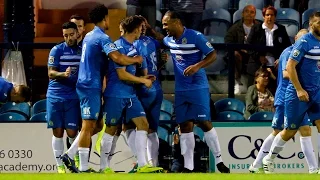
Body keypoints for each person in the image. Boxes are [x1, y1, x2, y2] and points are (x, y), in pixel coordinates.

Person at [60, 4, 143, 173]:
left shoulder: (89, 36)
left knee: (97, 125)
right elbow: (117, 57)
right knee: (88, 125)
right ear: (105, 18)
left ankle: (69, 154)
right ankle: (83, 168)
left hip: (90, 84)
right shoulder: (101, 37)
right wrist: (135, 60)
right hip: (90, 85)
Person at [162, 10, 230, 173]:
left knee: (204, 122)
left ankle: (219, 160)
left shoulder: (196, 36)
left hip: (198, 87)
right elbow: (160, 39)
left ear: (177, 22)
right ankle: (188, 166)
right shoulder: (168, 40)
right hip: (180, 90)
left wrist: (197, 66)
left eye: (166, 24)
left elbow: (213, 55)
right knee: (184, 126)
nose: (164, 27)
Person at [249, 29, 319, 174]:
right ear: (296, 39)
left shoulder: (309, 51)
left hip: (303, 97)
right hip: (287, 97)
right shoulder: (289, 52)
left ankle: (313, 169)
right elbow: (286, 73)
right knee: (278, 131)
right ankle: (257, 165)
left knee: (305, 130)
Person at [100, 15, 163, 173]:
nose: (142, 30)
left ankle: (142, 165)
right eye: (140, 28)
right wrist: (142, 81)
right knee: (111, 128)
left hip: (130, 95)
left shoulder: (135, 47)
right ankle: (103, 167)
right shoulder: (117, 47)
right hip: (115, 94)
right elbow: (121, 75)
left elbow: (139, 70)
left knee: (143, 124)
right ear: (135, 29)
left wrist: (144, 77)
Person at [46, 22, 81, 173]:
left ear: (78, 33)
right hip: (55, 95)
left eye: (71, 35)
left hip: (73, 96)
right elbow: (51, 73)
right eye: (65, 35)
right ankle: (60, 167)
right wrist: (63, 74)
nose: (68, 38)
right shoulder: (57, 50)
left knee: (73, 132)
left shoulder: (83, 50)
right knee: (57, 132)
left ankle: (75, 158)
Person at [247, 6, 291, 91]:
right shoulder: (256, 28)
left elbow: (287, 47)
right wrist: (259, 57)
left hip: (275, 67)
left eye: (272, 15)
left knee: (275, 92)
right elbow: (249, 46)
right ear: (263, 16)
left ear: (275, 16)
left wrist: (280, 59)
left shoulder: (281, 29)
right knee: (254, 93)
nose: (269, 17)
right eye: (267, 15)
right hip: (257, 65)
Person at [224, 5, 259, 94]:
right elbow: (228, 41)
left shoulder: (259, 26)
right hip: (240, 53)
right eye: (247, 11)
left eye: (252, 12)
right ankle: (237, 82)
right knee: (234, 54)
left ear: (255, 15)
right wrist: (241, 49)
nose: (249, 14)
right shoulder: (235, 27)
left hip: (255, 53)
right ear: (242, 14)